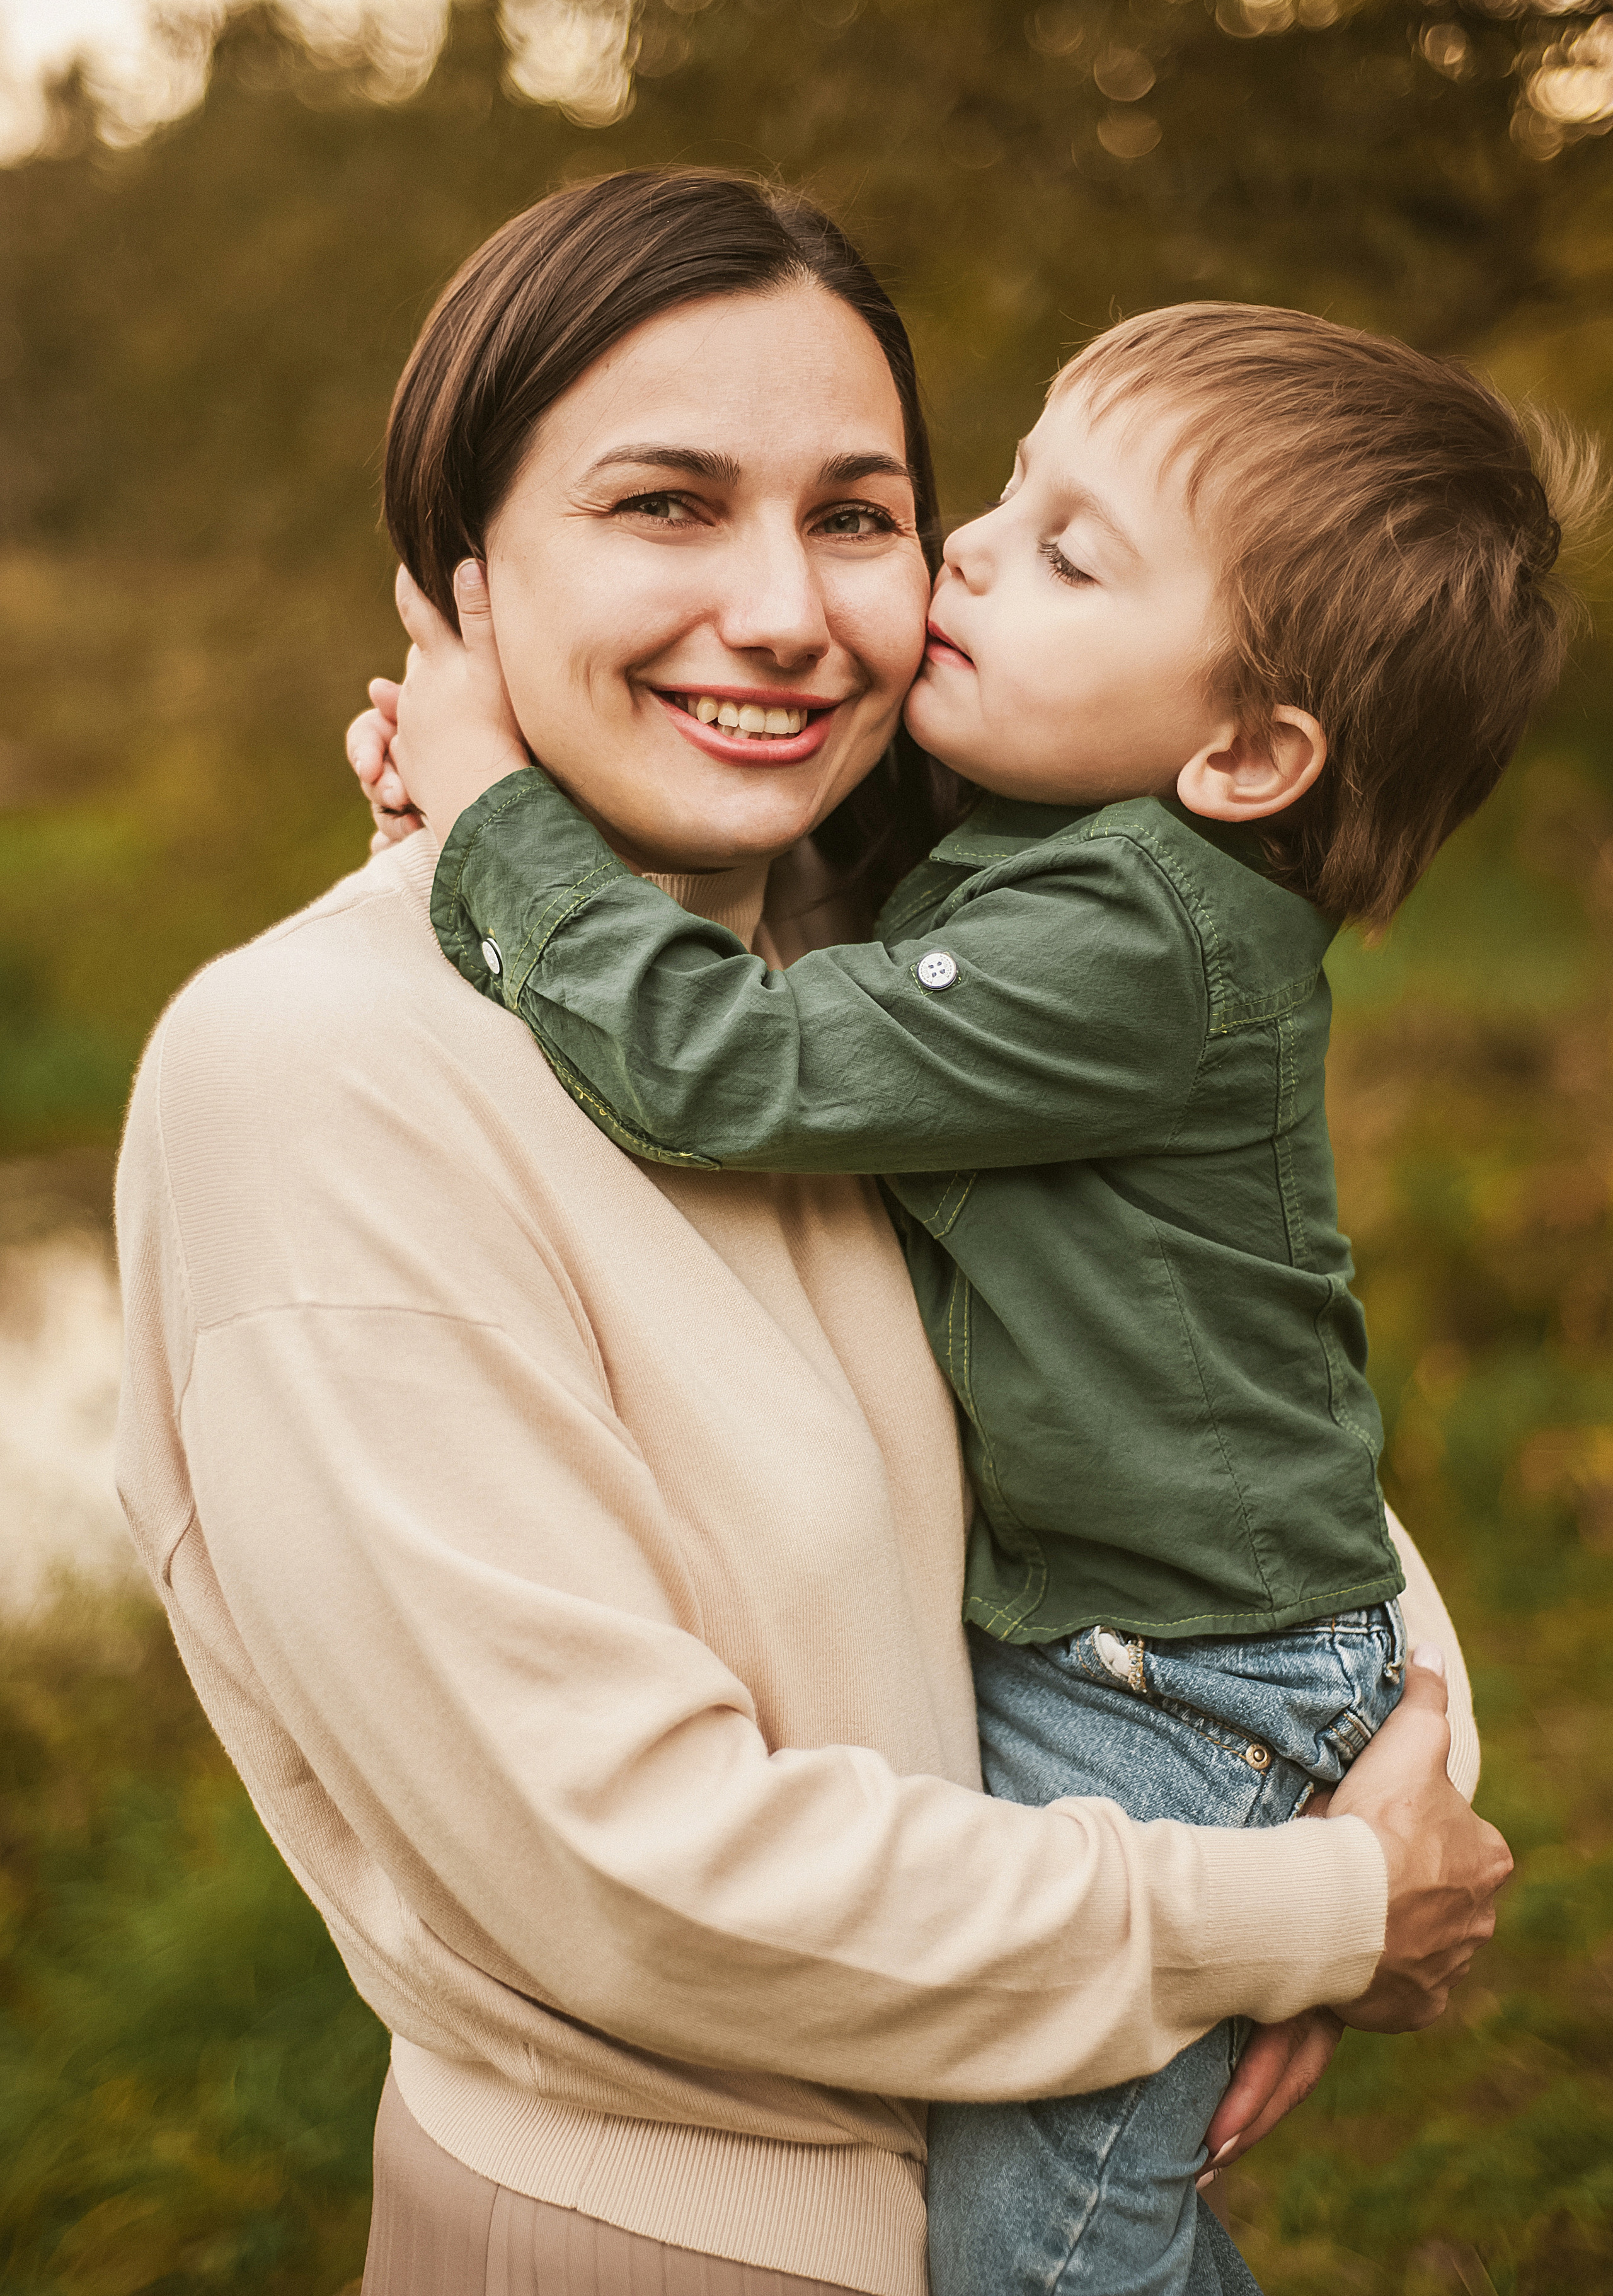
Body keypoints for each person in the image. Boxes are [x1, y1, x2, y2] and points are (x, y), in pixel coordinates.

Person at [117, 171, 1507, 2296]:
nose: (786, 609)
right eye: (667, 505)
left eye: (857, 514)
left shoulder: (873, 977)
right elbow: (636, 1880)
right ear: (457, 571)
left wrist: (1391, 1769)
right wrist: (1299, 1913)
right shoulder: (314, 1074)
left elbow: (1241, 1444)